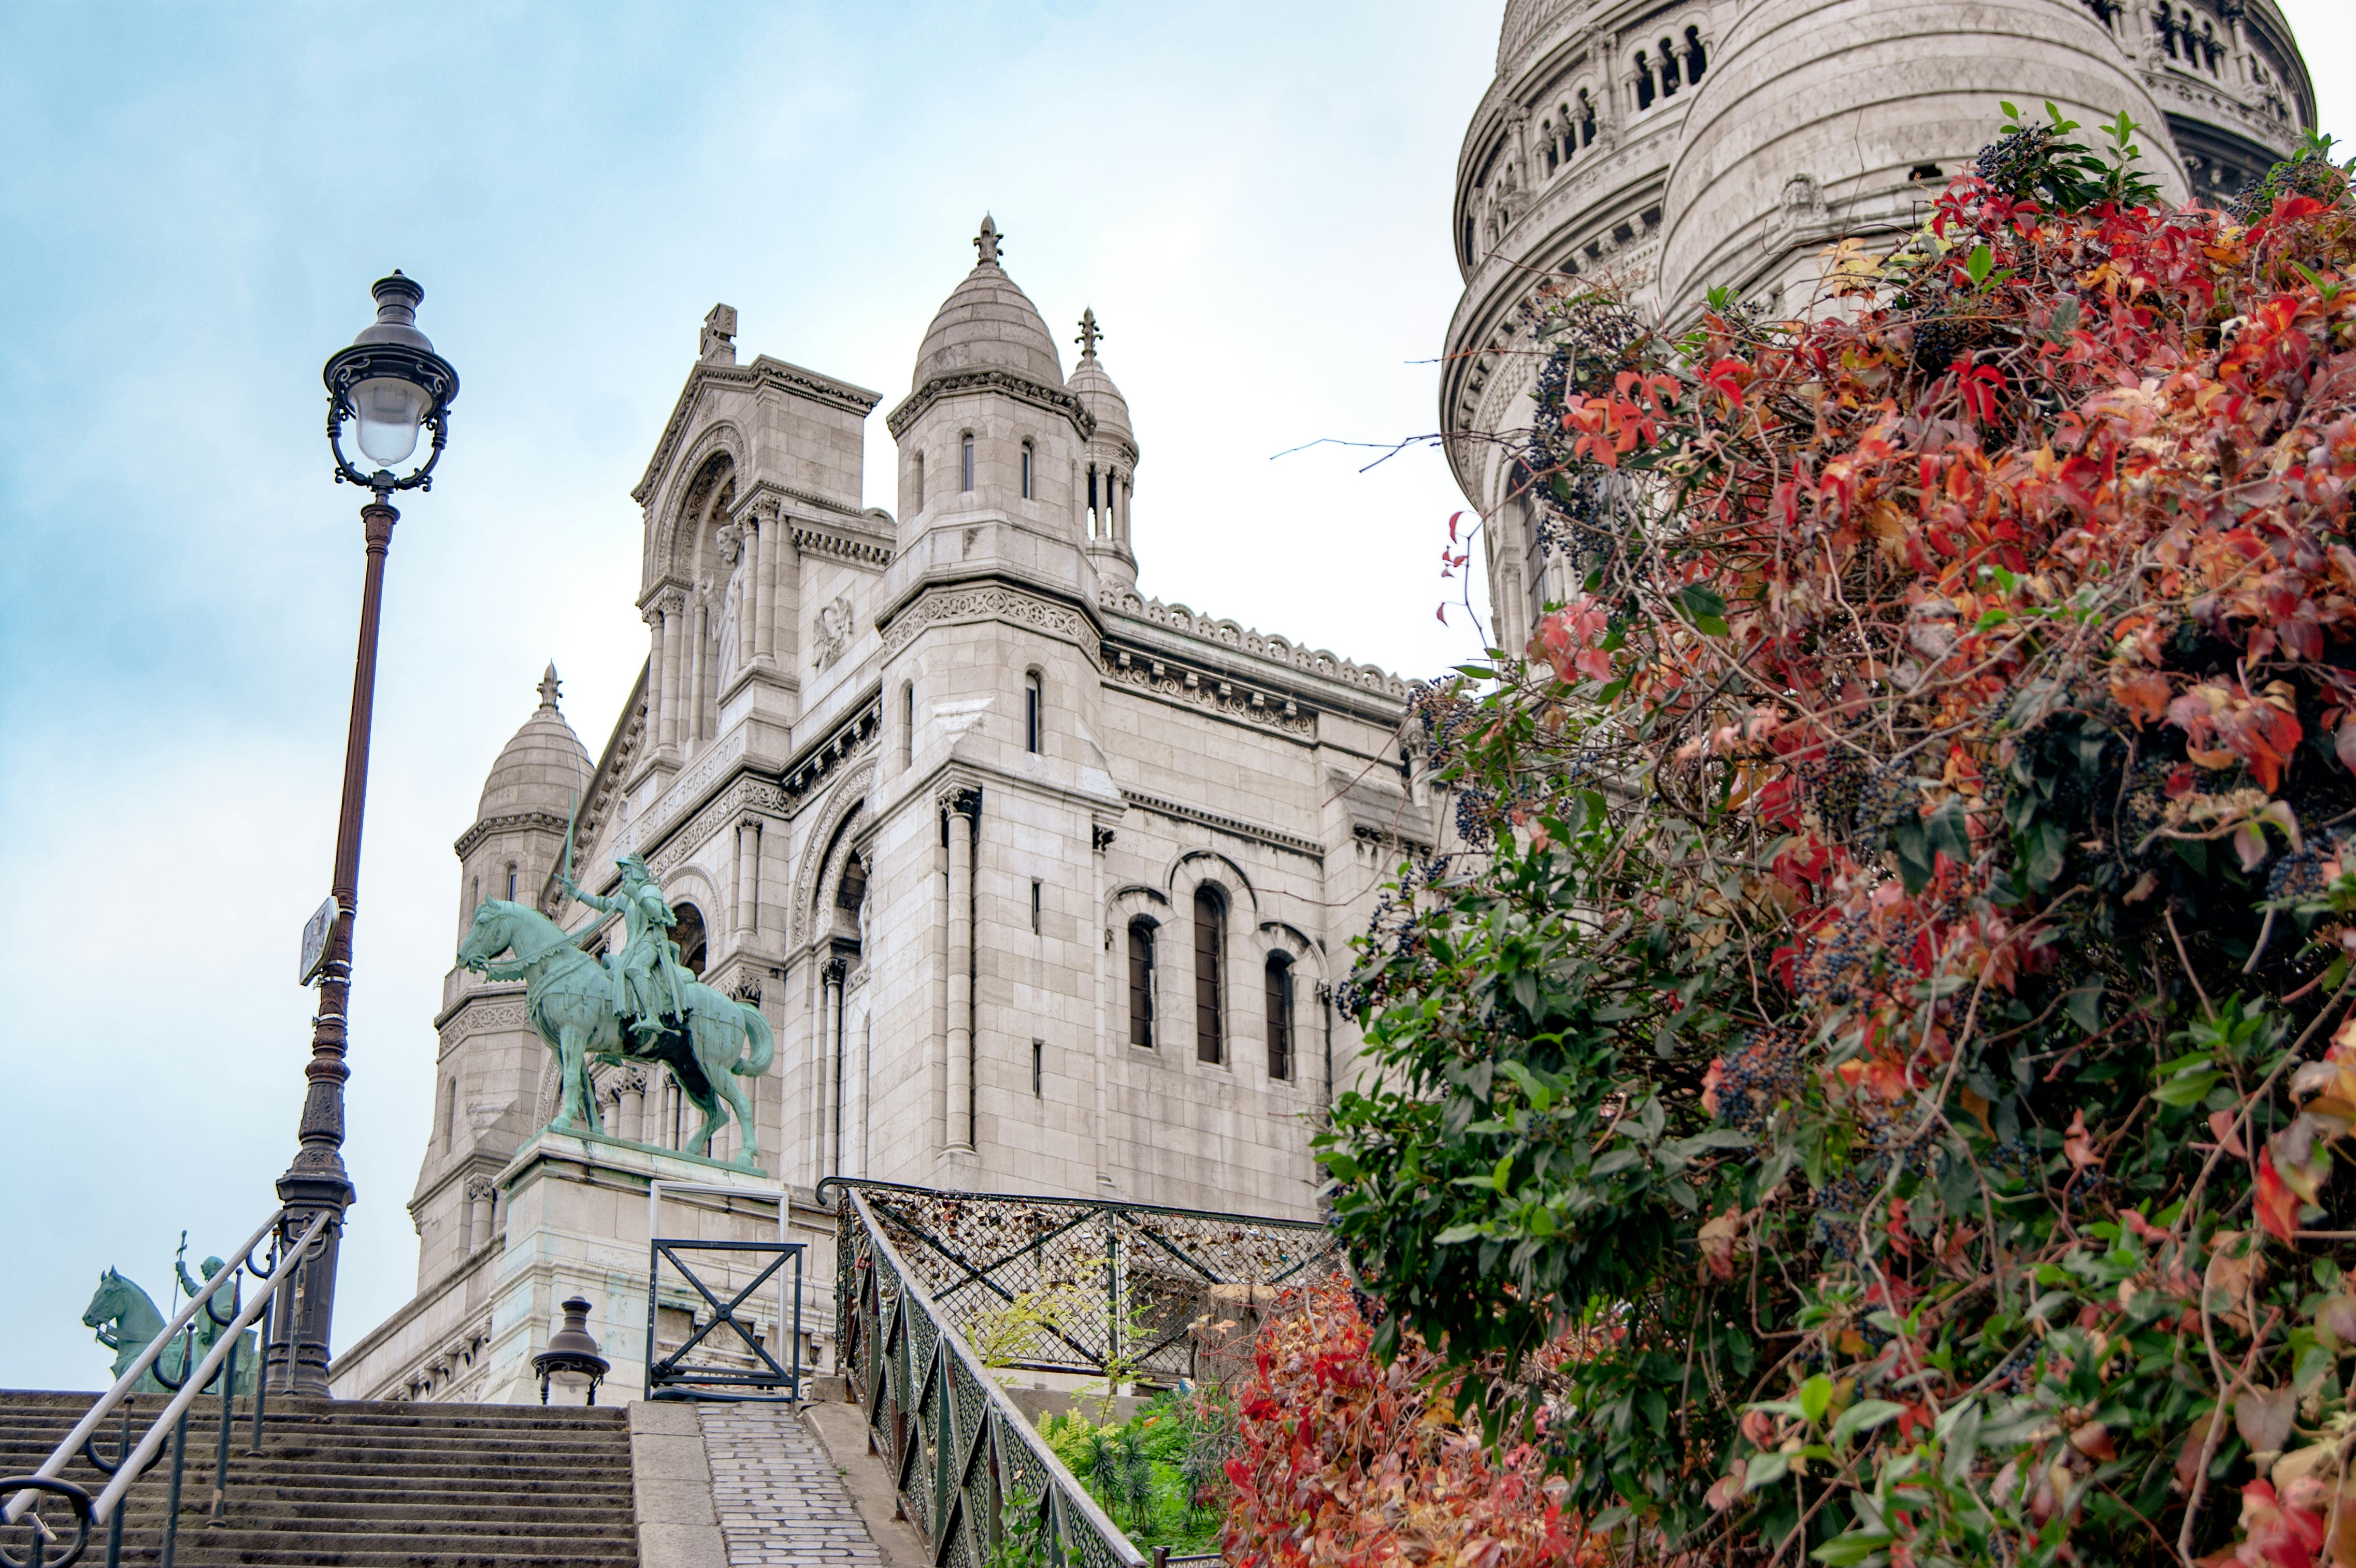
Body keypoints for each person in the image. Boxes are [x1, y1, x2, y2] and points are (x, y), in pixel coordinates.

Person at [561, 852, 691, 1043]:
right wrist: (576, 893)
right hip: (633, 947)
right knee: (610, 973)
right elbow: (604, 904)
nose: (623, 877)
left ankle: (653, 1017)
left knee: (636, 969)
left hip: (650, 943)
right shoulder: (629, 899)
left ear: (637, 871)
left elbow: (655, 914)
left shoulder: (650, 891)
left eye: (627, 872)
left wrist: (637, 895)